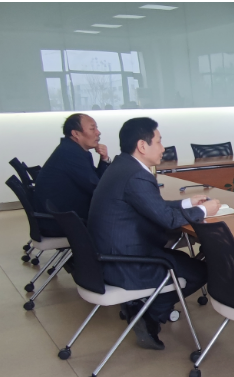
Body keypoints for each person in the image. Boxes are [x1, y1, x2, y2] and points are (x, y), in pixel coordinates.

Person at [88, 117, 221, 350]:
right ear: (142, 146)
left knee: (184, 261)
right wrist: (203, 210)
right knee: (200, 271)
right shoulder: (136, 175)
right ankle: (149, 313)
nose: (163, 148)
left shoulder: (122, 167)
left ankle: (141, 306)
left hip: (109, 256)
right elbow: (168, 220)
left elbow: (152, 206)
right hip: (126, 264)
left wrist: (186, 203)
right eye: (158, 141)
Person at [33, 113, 111, 237]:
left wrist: (104, 159)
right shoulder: (70, 154)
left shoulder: (74, 150)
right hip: (61, 222)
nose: (98, 132)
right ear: (76, 134)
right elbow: (96, 187)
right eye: (92, 128)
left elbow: (96, 180)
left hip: (63, 215)